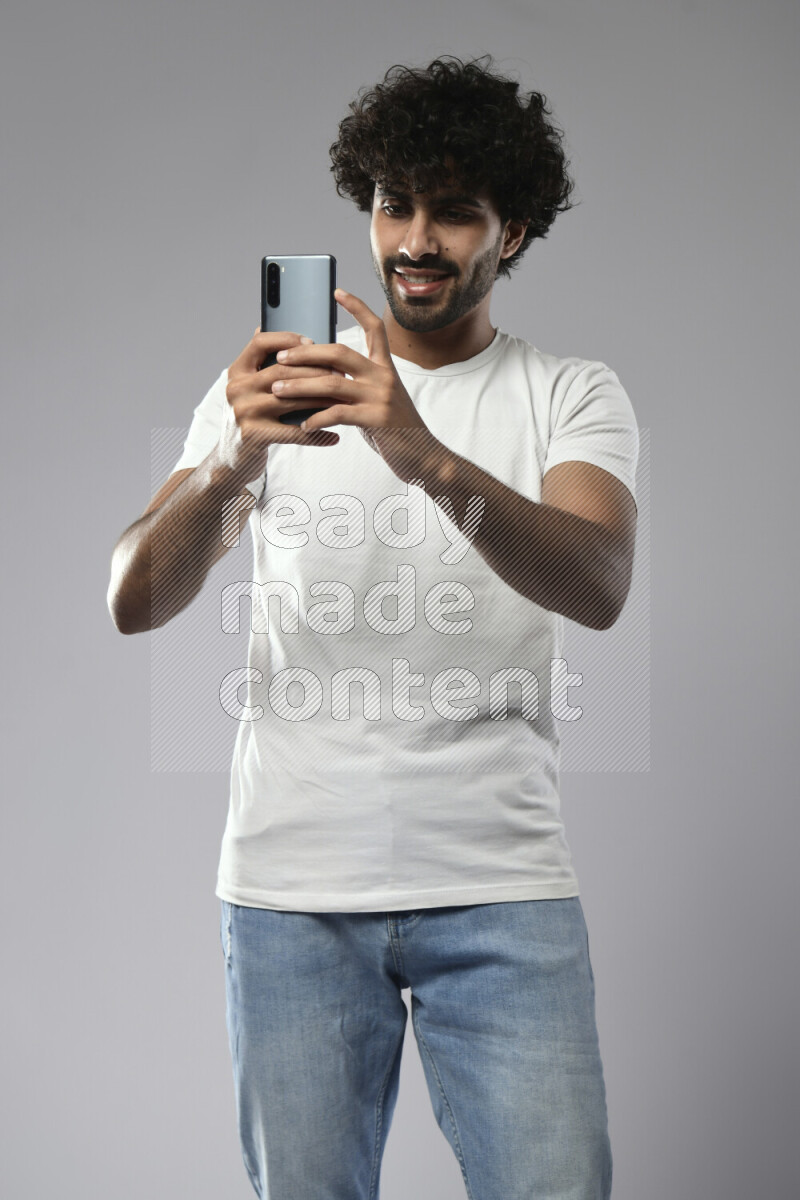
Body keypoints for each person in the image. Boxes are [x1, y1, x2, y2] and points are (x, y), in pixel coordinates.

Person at [108, 55, 638, 1200]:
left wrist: (425, 456)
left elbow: (597, 580)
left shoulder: (567, 392)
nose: (414, 238)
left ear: (516, 231)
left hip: (501, 888)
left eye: (454, 212)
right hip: (291, 892)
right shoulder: (263, 391)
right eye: (394, 203)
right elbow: (131, 599)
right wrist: (233, 464)